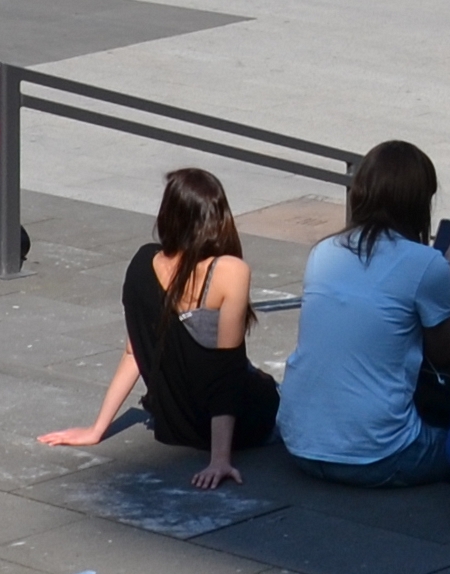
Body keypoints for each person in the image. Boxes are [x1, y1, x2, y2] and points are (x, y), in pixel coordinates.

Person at [40, 167, 277, 490]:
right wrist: (219, 458)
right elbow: (227, 371)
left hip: (174, 424)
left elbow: (133, 352)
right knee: (279, 391)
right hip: (240, 424)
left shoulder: (142, 262)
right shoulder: (229, 271)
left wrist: (97, 429)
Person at [282, 139, 450, 488]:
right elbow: (445, 352)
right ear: (419, 202)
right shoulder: (426, 264)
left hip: (301, 442)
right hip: (379, 454)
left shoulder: (323, 252)